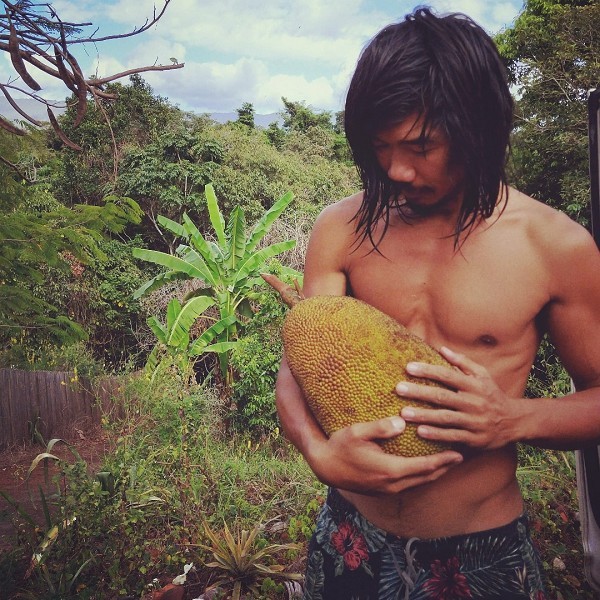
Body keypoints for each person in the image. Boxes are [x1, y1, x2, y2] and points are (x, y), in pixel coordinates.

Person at [275, 7, 600, 600]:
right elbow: (297, 365)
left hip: (481, 548)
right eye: (380, 147)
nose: (396, 169)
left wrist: (513, 419)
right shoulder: (341, 228)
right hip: (351, 534)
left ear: (477, 128)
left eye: (421, 145)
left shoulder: (555, 246)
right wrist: (318, 453)